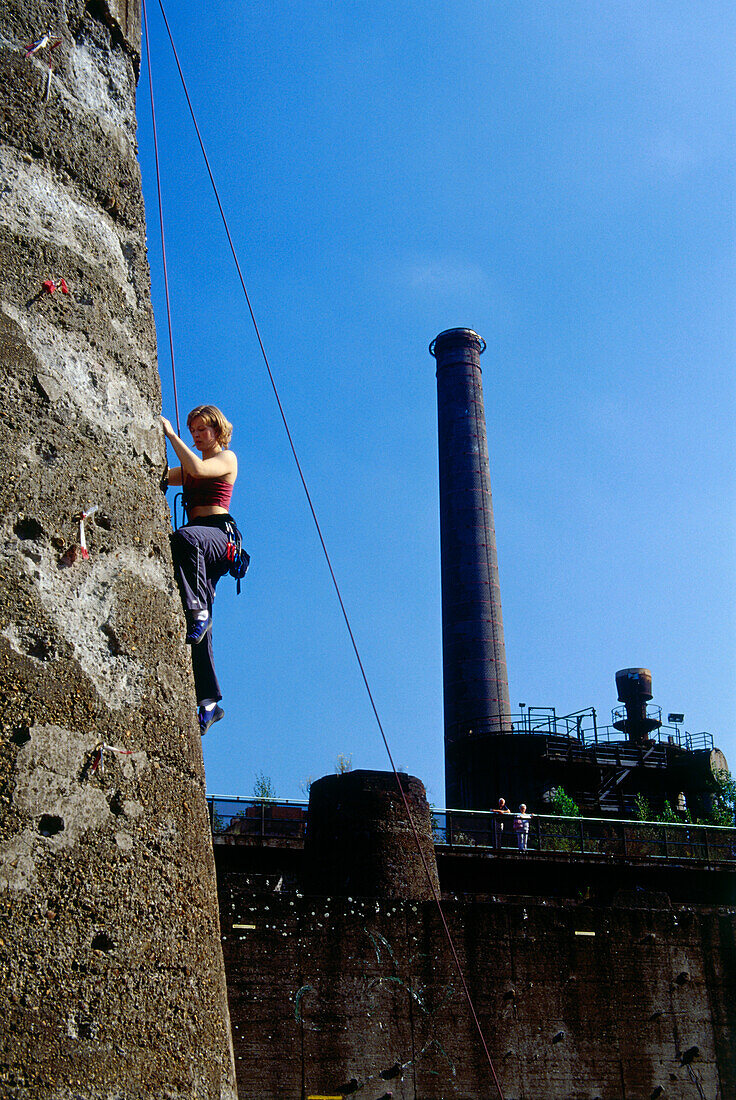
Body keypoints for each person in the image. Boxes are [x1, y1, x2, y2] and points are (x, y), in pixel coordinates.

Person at [161, 405, 239, 736]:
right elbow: (164, 474)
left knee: (186, 537)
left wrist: (170, 434)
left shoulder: (226, 459)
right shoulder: (195, 465)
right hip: (200, 546)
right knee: (197, 630)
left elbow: (194, 468)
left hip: (219, 537)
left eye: (202, 429)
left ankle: (200, 608)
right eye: (192, 429)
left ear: (217, 431)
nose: (196, 434)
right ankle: (209, 701)